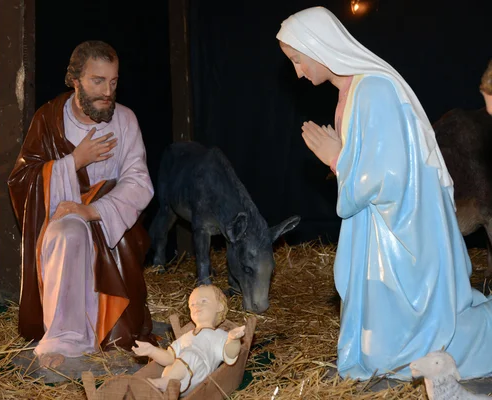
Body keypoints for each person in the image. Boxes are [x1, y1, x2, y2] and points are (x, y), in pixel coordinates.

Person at [276, 7, 492, 380]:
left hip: (402, 230)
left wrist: (338, 159)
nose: (297, 71)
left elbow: (391, 174)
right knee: (377, 335)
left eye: (297, 59)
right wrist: (341, 161)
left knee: (400, 336)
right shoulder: (353, 92)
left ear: (317, 45)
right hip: (380, 228)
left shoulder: (374, 90)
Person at [8, 40, 155, 369]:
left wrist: (93, 210)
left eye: (114, 82)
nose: (107, 92)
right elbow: (22, 180)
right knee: (68, 234)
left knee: (81, 228)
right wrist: (74, 161)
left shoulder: (126, 120)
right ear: (75, 80)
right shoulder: (48, 119)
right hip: (59, 216)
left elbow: (139, 182)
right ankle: (65, 337)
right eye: (97, 81)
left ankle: (99, 332)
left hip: (110, 225)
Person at [132, 285, 245, 395]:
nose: (196, 306)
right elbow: (169, 358)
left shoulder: (219, 335)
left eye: (203, 301)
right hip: (176, 376)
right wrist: (151, 350)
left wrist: (233, 339)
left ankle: (164, 384)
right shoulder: (186, 336)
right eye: (192, 304)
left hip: (200, 376)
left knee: (191, 355)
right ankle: (165, 383)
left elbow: (230, 355)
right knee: (187, 355)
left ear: (219, 307)